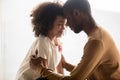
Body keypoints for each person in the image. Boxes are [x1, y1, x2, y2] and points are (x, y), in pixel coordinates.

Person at [30, 0, 120, 80]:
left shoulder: (96, 41)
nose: (67, 25)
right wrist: (66, 65)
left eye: (67, 19)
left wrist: (40, 68)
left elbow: (74, 79)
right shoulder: (100, 33)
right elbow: (87, 73)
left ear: (76, 13)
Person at [16, 2, 75, 80]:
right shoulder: (43, 42)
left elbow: (60, 70)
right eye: (60, 24)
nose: (64, 28)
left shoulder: (58, 42)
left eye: (65, 24)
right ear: (48, 24)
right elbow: (44, 73)